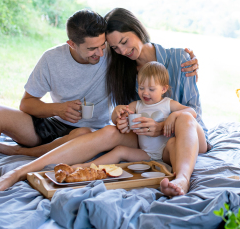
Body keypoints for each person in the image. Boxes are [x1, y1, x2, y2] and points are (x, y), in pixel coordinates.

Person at [0, 9, 199, 186]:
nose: (108, 52)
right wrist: (116, 114)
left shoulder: (149, 59)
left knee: (88, 132)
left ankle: (19, 155)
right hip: (73, 125)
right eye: (104, 47)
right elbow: (27, 104)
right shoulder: (93, 61)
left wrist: (162, 119)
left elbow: (188, 108)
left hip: (158, 132)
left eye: (112, 45)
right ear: (73, 44)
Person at [71, 61, 206, 169]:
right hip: (146, 153)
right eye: (141, 88)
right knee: (119, 150)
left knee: (173, 143)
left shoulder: (168, 103)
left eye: (151, 89)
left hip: (166, 151)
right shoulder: (137, 105)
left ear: (163, 89)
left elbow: (191, 112)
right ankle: (87, 166)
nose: (145, 93)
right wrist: (117, 112)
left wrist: (174, 115)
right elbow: (116, 119)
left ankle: (178, 174)